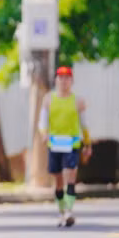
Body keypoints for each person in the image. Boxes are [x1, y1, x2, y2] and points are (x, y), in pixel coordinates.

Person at [38, 66, 92, 228]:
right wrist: (43, 133)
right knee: (58, 179)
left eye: (67, 78)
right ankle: (61, 211)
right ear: (56, 80)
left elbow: (84, 124)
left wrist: (87, 144)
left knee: (70, 174)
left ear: (72, 81)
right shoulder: (48, 99)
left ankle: (69, 211)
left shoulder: (78, 101)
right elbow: (42, 121)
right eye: (60, 78)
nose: (63, 81)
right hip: (54, 143)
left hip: (72, 143)